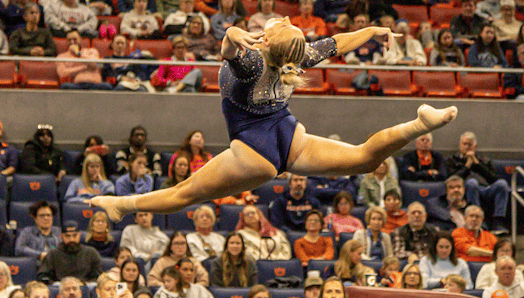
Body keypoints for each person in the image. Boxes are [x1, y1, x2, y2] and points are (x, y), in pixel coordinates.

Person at [89, 20, 456, 223]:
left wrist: (232, 34)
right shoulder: (298, 56)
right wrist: (373, 32)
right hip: (284, 134)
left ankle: (124, 205)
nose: (287, 20)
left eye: (285, 24)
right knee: (365, 158)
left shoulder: (254, 60)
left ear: (268, 39)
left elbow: (230, 51)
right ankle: (418, 126)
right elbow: (338, 43)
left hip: (258, 145)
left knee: (184, 193)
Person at [443, 132, 509, 234]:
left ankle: (498, 222)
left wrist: (477, 163)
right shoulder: (451, 160)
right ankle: (478, 219)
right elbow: (452, 179)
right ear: (459, 145)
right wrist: (467, 165)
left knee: (502, 184)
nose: (467, 147)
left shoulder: (484, 160)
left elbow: (493, 178)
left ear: (475, 146)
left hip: (486, 189)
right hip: (466, 190)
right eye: (464, 144)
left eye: (470, 145)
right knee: (472, 182)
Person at [37, 222, 102, 284]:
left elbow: (98, 276)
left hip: (85, 287)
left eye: (74, 235)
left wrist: (84, 284)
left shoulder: (91, 252)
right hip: (60, 288)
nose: (71, 239)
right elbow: (43, 276)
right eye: (67, 236)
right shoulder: (53, 254)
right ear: (61, 236)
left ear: (79, 235)